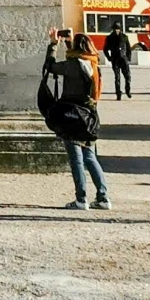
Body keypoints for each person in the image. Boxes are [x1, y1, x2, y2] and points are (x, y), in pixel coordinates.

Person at [38, 29, 111, 212]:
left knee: (76, 159)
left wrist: (54, 44)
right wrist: (70, 43)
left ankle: (81, 199)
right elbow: (75, 59)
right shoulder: (93, 63)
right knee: (90, 157)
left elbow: (51, 67)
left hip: (72, 115)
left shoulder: (74, 65)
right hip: (89, 115)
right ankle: (103, 197)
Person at [103, 22, 134, 100]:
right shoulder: (109, 38)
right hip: (115, 59)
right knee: (117, 77)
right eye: (115, 29)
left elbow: (128, 48)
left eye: (118, 29)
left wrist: (128, 58)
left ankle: (128, 91)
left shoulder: (124, 37)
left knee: (127, 77)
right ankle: (118, 93)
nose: (117, 30)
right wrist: (109, 58)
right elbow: (105, 49)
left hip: (124, 59)